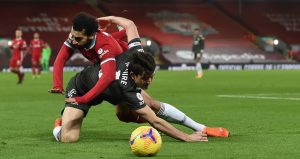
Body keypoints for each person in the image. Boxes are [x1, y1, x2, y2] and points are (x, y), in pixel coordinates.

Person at [53, 16, 228, 143]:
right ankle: (58, 126)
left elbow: (129, 24)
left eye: (151, 77)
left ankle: (201, 127)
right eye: (145, 79)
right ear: (133, 75)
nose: (149, 82)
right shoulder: (126, 87)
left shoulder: (136, 53)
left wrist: (109, 18)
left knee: (141, 107)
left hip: (110, 88)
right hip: (81, 88)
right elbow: (155, 120)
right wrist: (186, 138)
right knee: (69, 138)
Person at [48, 12, 128, 105]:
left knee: (124, 112)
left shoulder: (104, 45)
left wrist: (83, 99)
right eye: (72, 36)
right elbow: (60, 59)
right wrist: (57, 85)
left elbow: (108, 76)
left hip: (127, 65)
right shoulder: (78, 36)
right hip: (108, 62)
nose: (73, 42)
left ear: (91, 35)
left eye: (77, 39)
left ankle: (127, 29)